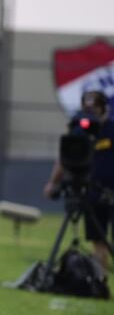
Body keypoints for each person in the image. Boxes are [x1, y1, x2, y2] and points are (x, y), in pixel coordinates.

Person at [43, 90, 114, 272]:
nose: (92, 113)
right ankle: (100, 280)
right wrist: (53, 182)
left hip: (111, 190)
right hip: (92, 191)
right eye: (88, 108)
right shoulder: (78, 131)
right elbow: (64, 158)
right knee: (97, 241)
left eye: (95, 107)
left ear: (103, 107)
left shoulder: (111, 129)